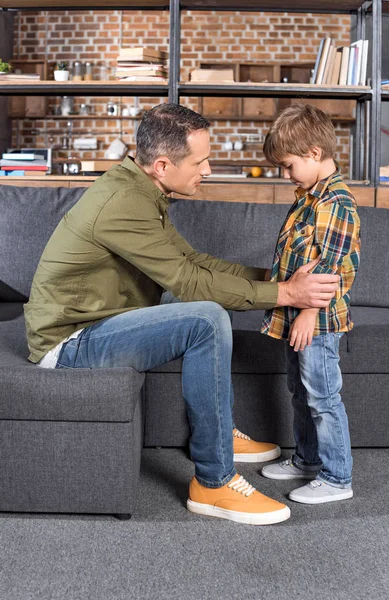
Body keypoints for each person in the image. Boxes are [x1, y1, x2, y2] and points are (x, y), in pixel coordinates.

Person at [24, 103, 340, 525]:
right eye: (201, 161)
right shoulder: (124, 202)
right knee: (204, 318)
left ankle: (219, 433)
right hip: (70, 343)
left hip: (102, 320)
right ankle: (213, 482)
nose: (207, 170)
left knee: (199, 307)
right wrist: (284, 292)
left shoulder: (143, 190)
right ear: (161, 164)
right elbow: (189, 283)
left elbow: (191, 262)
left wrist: (276, 278)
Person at [260, 104, 361, 504]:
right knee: (301, 392)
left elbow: (332, 270)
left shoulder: (335, 203)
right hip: (298, 316)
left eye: (287, 166)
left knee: (322, 397)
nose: (286, 175)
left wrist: (307, 312)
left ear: (314, 154)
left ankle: (337, 479)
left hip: (317, 321)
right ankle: (306, 459)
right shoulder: (308, 197)